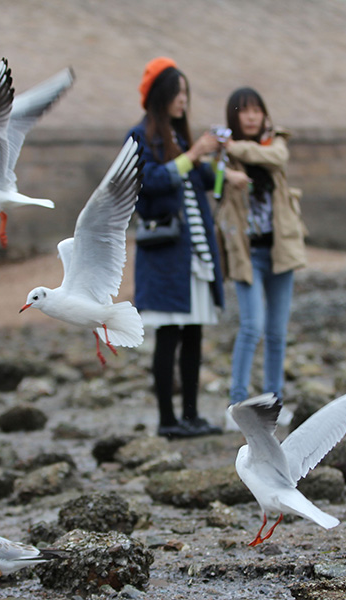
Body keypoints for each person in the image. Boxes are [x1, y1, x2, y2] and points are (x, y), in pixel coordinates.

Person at [127, 57, 224, 439]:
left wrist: (220, 163)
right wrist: (193, 154)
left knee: (194, 334)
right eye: (178, 92)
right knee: (168, 335)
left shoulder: (180, 140)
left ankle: (191, 415)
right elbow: (147, 182)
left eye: (186, 93)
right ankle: (168, 420)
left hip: (195, 254)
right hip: (167, 255)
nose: (183, 100)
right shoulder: (139, 137)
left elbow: (203, 180)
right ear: (161, 96)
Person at [215, 87, 308, 415]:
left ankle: (273, 403)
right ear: (234, 116)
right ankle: (237, 403)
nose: (252, 116)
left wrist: (234, 149)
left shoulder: (275, 143)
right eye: (245, 110)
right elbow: (208, 180)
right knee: (252, 325)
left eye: (257, 110)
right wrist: (227, 173)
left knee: (277, 332)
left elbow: (276, 158)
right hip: (247, 253)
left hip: (278, 251)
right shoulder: (222, 157)